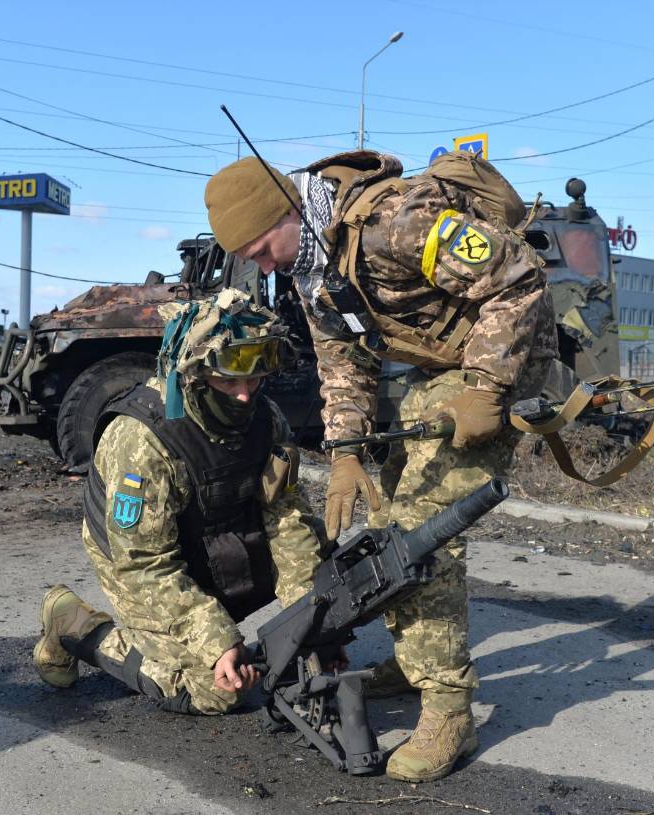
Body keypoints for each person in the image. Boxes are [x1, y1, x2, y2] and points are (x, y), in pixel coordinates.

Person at [203, 151, 557, 782]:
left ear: (288, 212)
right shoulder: (310, 266)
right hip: (434, 372)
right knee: (386, 518)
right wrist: (344, 451)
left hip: (503, 358)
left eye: (262, 248)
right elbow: (342, 361)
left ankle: (449, 709)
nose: (263, 266)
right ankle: (414, 656)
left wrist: (487, 386)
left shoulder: (397, 220)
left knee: (424, 533)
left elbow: (518, 279)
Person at [32, 288, 325, 715]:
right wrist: (217, 640)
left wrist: (311, 621)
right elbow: (144, 565)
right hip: (135, 559)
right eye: (229, 380)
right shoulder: (143, 440)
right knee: (214, 690)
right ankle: (73, 624)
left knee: (333, 568)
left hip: (211, 539)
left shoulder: (266, 418)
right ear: (193, 375)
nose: (245, 394)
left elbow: (288, 521)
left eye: (255, 377)